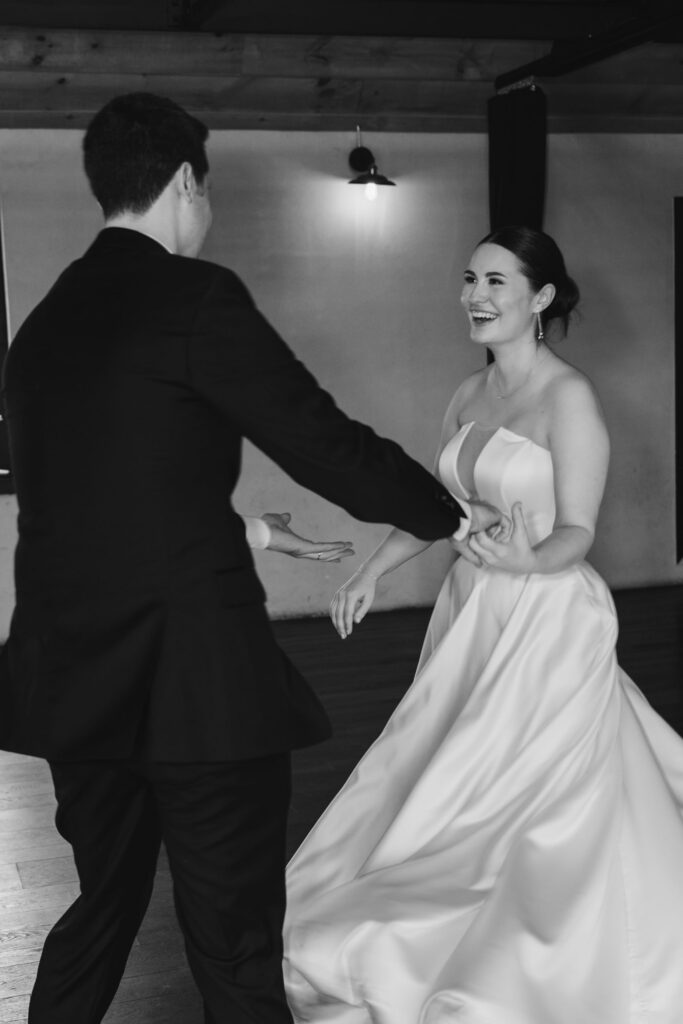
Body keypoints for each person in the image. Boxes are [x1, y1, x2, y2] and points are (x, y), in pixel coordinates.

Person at [0, 92, 501, 1024]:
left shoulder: (41, 326)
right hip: (195, 684)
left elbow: (105, 509)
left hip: (73, 681)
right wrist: (440, 509)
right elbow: (320, 439)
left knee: (102, 906)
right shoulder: (194, 297)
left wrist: (257, 531)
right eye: (210, 191)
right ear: (187, 181)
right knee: (231, 938)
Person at [284, 225, 683, 1024]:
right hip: (470, 611)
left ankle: (539, 937)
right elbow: (439, 511)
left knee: (528, 783)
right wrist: (370, 570)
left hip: (544, 612)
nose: (475, 295)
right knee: (453, 763)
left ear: (540, 299)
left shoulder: (569, 396)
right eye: (470, 278)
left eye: (498, 282)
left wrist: (525, 563)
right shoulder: (467, 395)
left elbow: (576, 529)